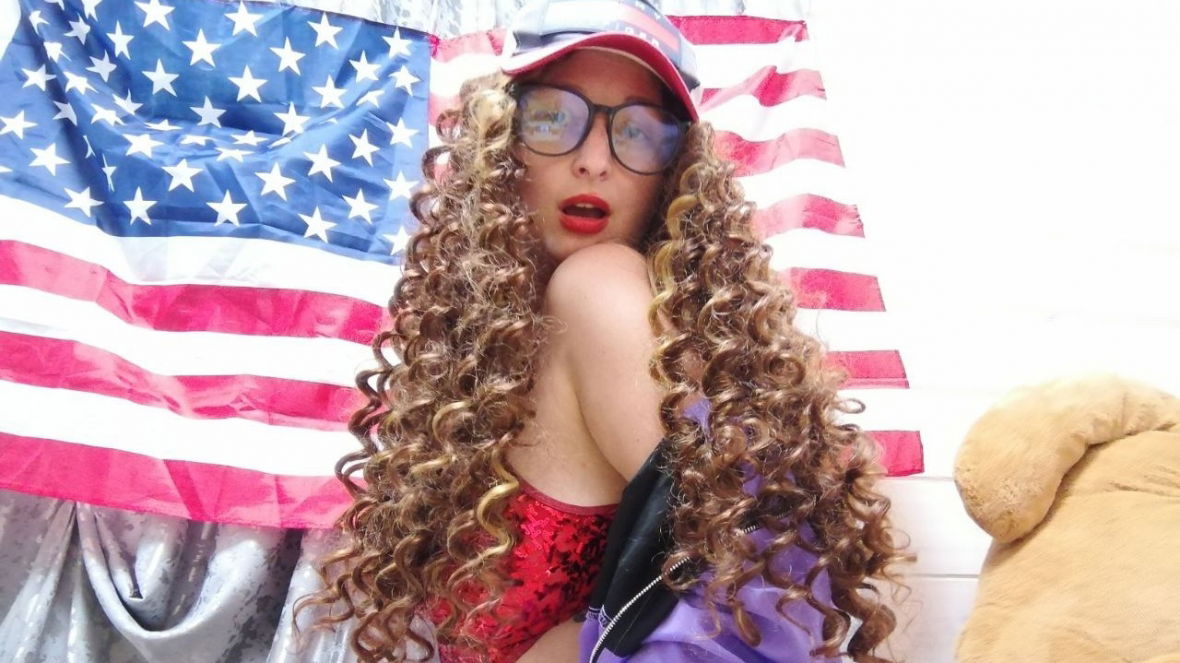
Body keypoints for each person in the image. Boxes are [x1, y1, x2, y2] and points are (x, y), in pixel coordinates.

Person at [298, 0, 910, 661]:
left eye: (638, 131)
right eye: (555, 118)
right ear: (505, 143)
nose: (594, 159)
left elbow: (763, 584)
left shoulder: (598, 288)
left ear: (674, 174)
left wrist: (574, 648)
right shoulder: (499, 346)